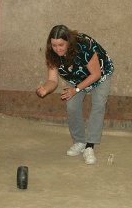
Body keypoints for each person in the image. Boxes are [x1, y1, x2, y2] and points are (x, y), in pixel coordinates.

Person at [36, 25, 114, 165]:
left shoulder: (83, 46)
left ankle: (89, 146)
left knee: (99, 104)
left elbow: (96, 74)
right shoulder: (52, 53)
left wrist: (76, 90)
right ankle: (80, 142)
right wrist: (45, 89)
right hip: (77, 78)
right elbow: (52, 80)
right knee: (72, 106)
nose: (58, 48)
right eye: (54, 45)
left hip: (100, 74)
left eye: (61, 45)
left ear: (69, 43)